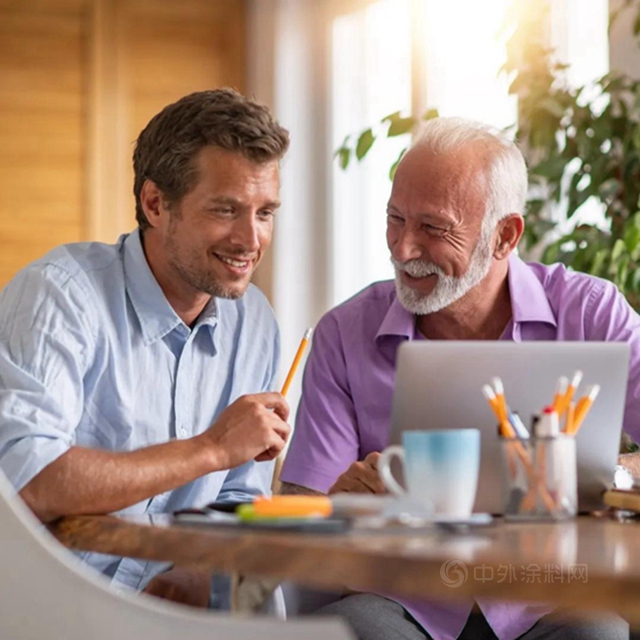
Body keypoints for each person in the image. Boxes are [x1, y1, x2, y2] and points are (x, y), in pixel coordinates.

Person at [280, 118, 635, 639]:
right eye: (395, 219)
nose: (403, 248)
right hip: (400, 601)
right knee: (350, 631)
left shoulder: (591, 312)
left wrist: (602, 473)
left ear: (504, 236)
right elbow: (297, 516)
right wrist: (341, 505)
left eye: (433, 227)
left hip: (551, 602)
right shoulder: (344, 332)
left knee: (597, 633)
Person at [0, 88, 291, 606]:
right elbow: (32, 481)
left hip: (177, 612)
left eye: (265, 213)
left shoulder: (256, 323)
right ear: (155, 204)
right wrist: (210, 449)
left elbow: (239, 498)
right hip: (55, 605)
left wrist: (196, 576)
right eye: (226, 209)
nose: (251, 239)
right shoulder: (61, 296)